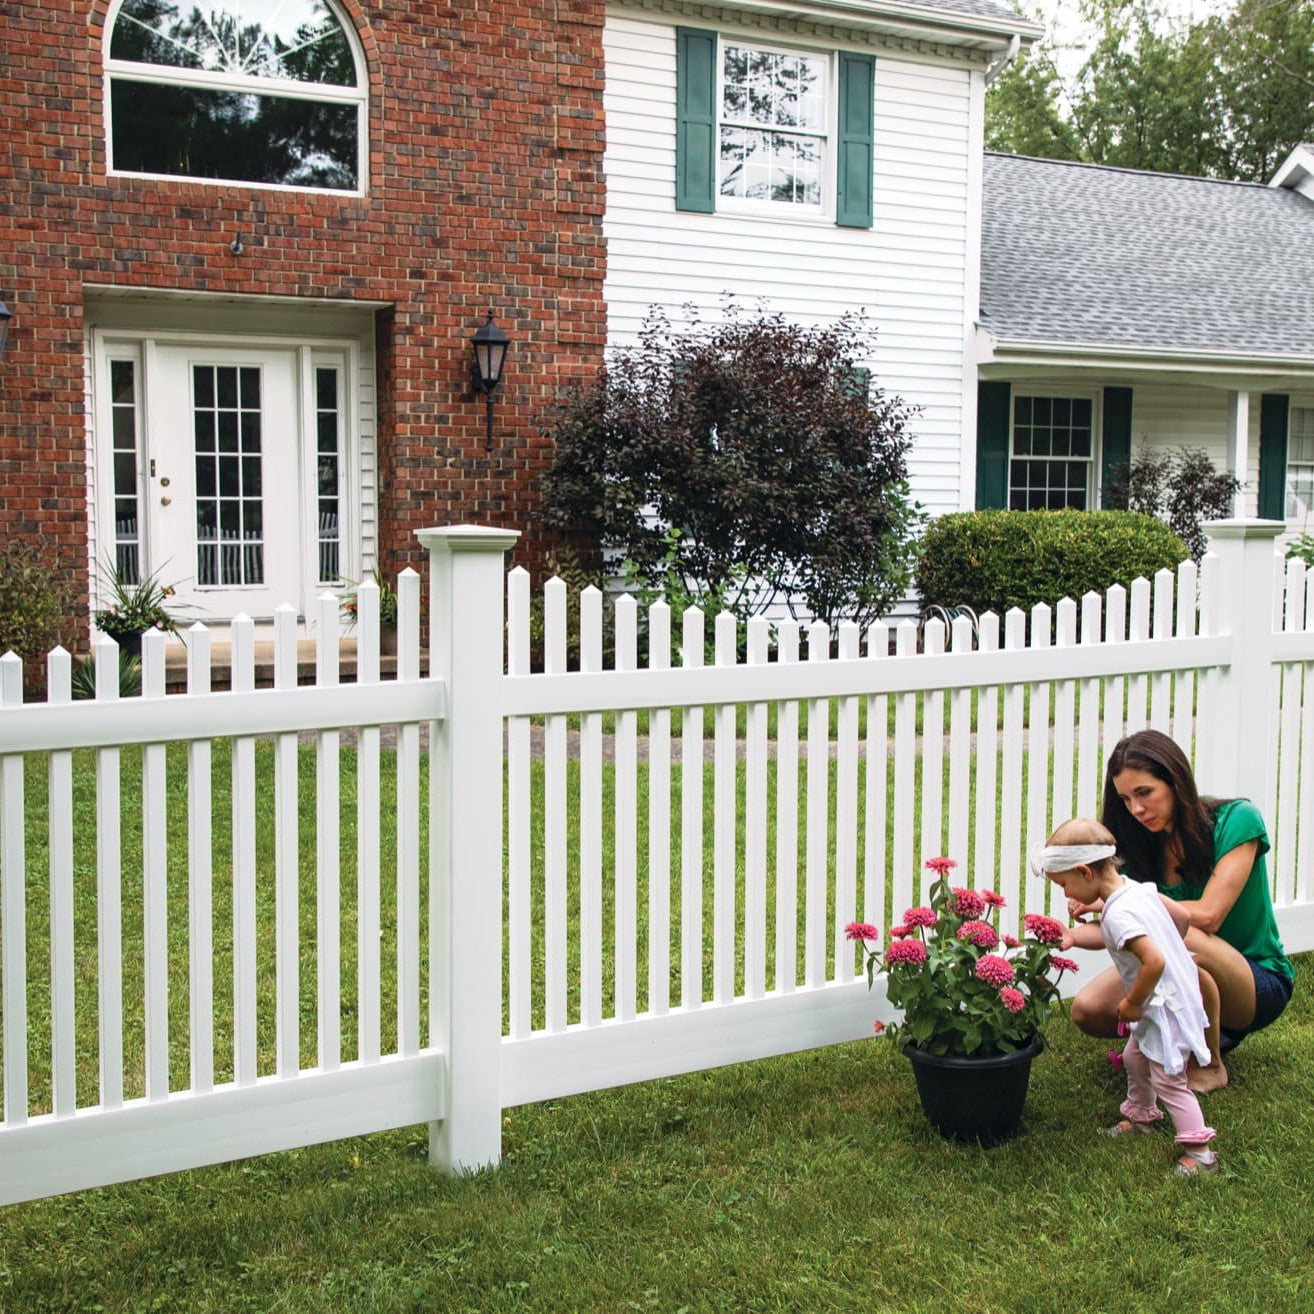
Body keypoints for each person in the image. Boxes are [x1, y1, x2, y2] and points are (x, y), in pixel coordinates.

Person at [1068, 729, 1294, 1094]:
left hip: (1254, 982)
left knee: (1181, 930)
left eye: (1145, 793)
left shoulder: (1238, 820)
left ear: (1175, 781)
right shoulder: (1141, 844)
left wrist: (1121, 898)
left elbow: (1208, 915)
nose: (1136, 809)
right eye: (1126, 799)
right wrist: (1093, 907)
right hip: (1183, 969)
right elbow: (1129, 924)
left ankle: (1210, 1064)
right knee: (1088, 1008)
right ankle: (1181, 1037)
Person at [1034, 819, 1219, 1176]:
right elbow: (1178, 918)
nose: (1065, 894)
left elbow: (1153, 960)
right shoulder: (1134, 891)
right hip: (1168, 994)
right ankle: (1140, 1115)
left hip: (1161, 1004)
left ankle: (1200, 1153)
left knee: (1169, 1078)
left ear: (1085, 872)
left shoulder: (1118, 913)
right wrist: (1075, 935)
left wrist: (1133, 1002)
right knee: (1135, 1057)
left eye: (1064, 885)